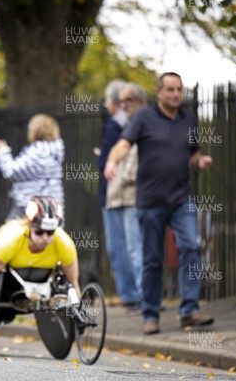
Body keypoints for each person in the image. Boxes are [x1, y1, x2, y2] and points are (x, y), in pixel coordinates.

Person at [105, 72, 214, 335]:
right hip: (150, 201)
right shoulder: (144, 117)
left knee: (190, 245)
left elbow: (192, 152)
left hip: (181, 198)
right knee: (153, 259)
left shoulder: (189, 119)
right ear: (159, 93)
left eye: (179, 89)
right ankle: (150, 313)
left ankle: (189, 309)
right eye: (171, 90)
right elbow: (123, 144)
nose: (176, 94)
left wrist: (198, 161)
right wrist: (112, 161)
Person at [0, 196, 80, 330]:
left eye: (50, 232)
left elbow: (74, 284)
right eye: (39, 232)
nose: (45, 238)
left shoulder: (64, 244)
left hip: (42, 280)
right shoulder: (10, 241)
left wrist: (79, 316)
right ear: (29, 227)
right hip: (9, 284)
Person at [104, 82, 148, 312]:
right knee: (124, 249)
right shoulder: (128, 126)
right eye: (120, 102)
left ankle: (145, 298)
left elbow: (135, 164)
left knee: (136, 249)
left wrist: (122, 175)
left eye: (128, 101)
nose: (123, 106)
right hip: (119, 196)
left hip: (132, 196)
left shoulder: (144, 124)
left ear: (141, 102)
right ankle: (135, 297)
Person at [0, 114, 65, 220]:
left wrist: (2, 151)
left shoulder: (39, 151)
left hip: (30, 206)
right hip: (53, 206)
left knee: (9, 234)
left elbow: (12, 171)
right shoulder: (54, 150)